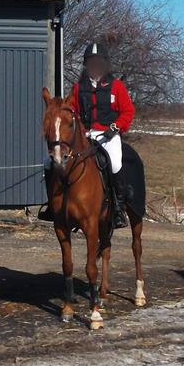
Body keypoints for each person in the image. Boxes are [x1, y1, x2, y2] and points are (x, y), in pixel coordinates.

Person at [43, 42, 135, 228]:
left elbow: (128, 111)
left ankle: (117, 208)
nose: (94, 66)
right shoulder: (78, 88)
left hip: (109, 134)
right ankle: (52, 205)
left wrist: (115, 127)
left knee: (116, 163)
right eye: (91, 62)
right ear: (86, 65)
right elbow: (72, 113)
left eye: (98, 62)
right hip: (85, 135)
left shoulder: (116, 87)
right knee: (48, 162)